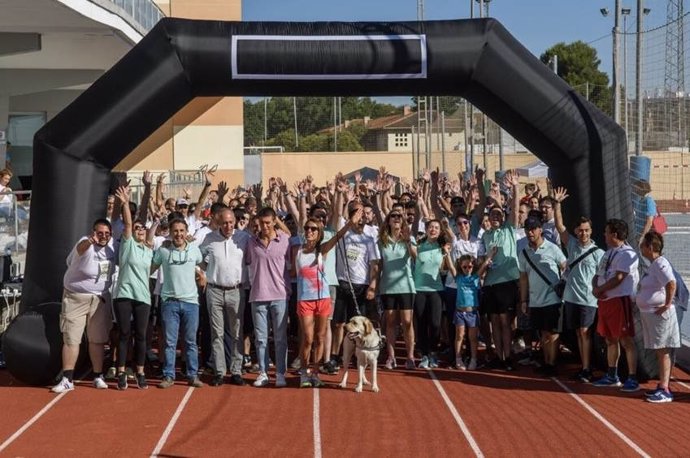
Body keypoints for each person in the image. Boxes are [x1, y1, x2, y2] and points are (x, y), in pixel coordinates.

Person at [292, 209, 361, 387]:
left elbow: (337, 236)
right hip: (305, 300)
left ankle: (315, 372)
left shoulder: (321, 250)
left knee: (320, 337)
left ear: (319, 232)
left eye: (313, 229)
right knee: (308, 338)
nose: (309, 231)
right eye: (307, 228)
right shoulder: (299, 251)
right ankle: (304, 373)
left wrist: (350, 223)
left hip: (322, 299)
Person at [51, 219, 117, 393]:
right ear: (93, 232)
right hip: (75, 298)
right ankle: (67, 379)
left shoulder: (112, 248)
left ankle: (98, 375)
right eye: (100, 233)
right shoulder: (84, 243)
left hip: (99, 299)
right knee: (72, 338)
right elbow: (81, 249)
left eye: (107, 233)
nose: (103, 236)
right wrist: (90, 241)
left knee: (97, 339)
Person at [552, 187, 605, 383]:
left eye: (586, 230)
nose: (583, 233)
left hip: (588, 299)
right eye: (580, 230)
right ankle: (584, 366)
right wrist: (557, 204)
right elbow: (559, 226)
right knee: (578, 333)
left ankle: (586, 368)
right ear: (576, 231)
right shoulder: (572, 244)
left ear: (591, 231)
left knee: (585, 333)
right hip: (571, 297)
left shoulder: (599, 253)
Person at [475, 168, 521, 370]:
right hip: (491, 283)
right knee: (494, 321)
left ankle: (508, 356)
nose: (495, 216)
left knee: (505, 321)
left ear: (503, 217)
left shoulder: (509, 229)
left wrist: (515, 189)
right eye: (492, 214)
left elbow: (515, 206)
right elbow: (482, 259)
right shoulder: (485, 236)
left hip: (507, 282)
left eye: (498, 214)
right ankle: (499, 355)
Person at [199, 207, 250, 387]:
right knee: (217, 333)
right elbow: (199, 257)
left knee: (237, 332)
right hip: (214, 290)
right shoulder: (209, 239)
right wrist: (203, 273)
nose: (228, 226)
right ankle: (220, 371)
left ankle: (236, 370)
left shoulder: (244, 238)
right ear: (219, 223)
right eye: (225, 223)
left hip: (236, 290)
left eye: (231, 222)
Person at [153, 218, 206, 389]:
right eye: (175, 231)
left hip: (191, 303)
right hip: (170, 302)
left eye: (182, 231)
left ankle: (192, 375)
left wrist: (201, 276)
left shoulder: (194, 250)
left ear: (186, 232)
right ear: (170, 232)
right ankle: (169, 375)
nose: (179, 234)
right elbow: (150, 268)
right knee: (170, 342)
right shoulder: (163, 251)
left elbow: (202, 265)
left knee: (190, 342)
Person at [592, 219, 640, 392]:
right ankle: (612, 375)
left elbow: (619, 278)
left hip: (620, 301)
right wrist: (595, 288)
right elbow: (598, 274)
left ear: (614, 234)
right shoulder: (609, 253)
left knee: (626, 340)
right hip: (605, 302)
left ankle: (633, 378)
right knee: (610, 339)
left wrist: (601, 289)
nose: (604, 235)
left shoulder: (627, 254)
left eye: (606, 232)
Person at [111, 186, 152, 390]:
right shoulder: (127, 245)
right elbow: (127, 223)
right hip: (124, 294)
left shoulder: (150, 251)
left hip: (143, 297)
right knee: (125, 333)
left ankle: (140, 371)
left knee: (142, 335)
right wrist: (126, 202)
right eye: (137, 229)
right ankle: (121, 371)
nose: (140, 230)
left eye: (142, 228)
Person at [246, 207, 291, 388]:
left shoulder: (285, 240)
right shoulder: (250, 242)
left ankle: (280, 373)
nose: (264, 226)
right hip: (257, 295)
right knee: (261, 338)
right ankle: (263, 372)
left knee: (280, 338)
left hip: (280, 296)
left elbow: (290, 235)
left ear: (274, 222)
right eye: (261, 223)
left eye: (267, 222)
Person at [518, 216, 567, 376]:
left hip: (552, 298)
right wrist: (524, 300)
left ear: (540, 230)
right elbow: (523, 278)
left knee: (552, 332)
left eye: (533, 229)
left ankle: (552, 363)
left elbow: (565, 265)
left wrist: (562, 283)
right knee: (542, 333)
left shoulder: (552, 248)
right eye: (527, 229)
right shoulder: (524, 252)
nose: (530, 232)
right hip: (535, 300)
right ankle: (547, 362)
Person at [637, 231, 679, 403]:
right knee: (659, 350)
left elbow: (671, 283)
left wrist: (667, 304)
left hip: (659, 316)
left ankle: (665, 388)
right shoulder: (653, 264)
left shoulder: (660, 264)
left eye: (643, 246)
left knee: (663, 351)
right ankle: (663, 385)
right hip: (651, 314)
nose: (640, 249)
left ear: (650, 247)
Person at [377, 209, 417, 370]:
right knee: (391, 322)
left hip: (406, 287)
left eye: (399, 216)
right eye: (393, 216)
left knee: (407, 322)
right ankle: (391, 357)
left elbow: (415, 257)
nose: (396, 219)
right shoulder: (381, 240)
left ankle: (410, 357)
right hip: (387, 287)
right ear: (388, 220)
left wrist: (407, 241)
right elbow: (378, 265)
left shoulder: (409, 238)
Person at [414, 219, 453, 369]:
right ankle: (424, 354)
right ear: (426, 229)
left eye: (436, 228)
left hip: (437, 289)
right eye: (431, 227)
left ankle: (433, 352)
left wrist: (446, 227)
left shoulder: (443, 247)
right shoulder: (419, 246)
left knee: (436, 323)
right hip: (419, 289)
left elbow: (452, 239)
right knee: (422, 323)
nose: (433, 230)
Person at [447, 253, 493, 370]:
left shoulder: (475, 278)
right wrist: (447, 253)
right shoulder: (458, 277)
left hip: (472, 313)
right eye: (465, 267)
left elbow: (484, 265)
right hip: (459, 312)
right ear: (461, 267)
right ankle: (458, 359)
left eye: (470, 267)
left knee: (473, 338)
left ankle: (473, 359)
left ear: (473, 267)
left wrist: (492, 254)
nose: (467, 269)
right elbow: (451, 266)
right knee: (460, 336)